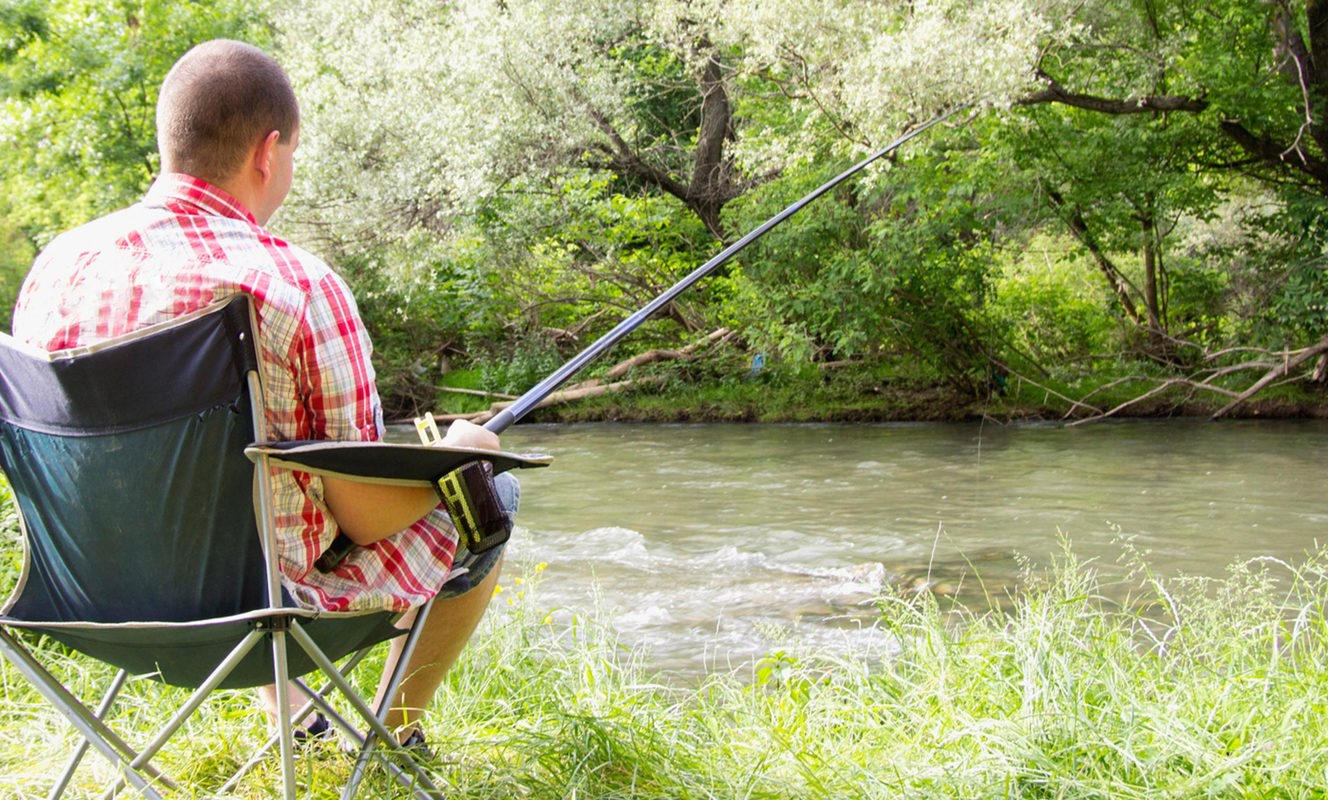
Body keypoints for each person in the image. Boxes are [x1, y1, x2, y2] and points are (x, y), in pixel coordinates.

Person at [10, 39, 509, 748]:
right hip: (261, 611)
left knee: (261, 490)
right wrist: (465, 452)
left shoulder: (56, 268)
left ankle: (296, 719)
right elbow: (366, 517)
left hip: (89, 604)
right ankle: (388, 735)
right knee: (487, 496)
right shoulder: (293, 284)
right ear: (268, 151)